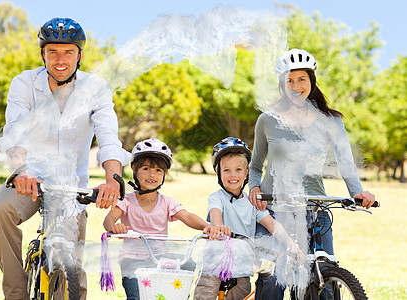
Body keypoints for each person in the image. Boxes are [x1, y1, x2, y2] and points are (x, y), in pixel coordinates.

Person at [0, 17, 130, 300]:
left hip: (71, 184)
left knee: (73, 270)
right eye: (53, 51)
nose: (60, 59)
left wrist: (113, 178)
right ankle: (16, 292)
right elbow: (15, 131)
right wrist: (21, 170)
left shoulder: (95, 87)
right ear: (43, 54)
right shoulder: (25, 83)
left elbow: (108, 136)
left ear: (80, 55)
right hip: (31, 177)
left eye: (68, 52)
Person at [248, 48, 376, 299]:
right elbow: (255, 166)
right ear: (281, 84)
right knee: (273, 279)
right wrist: (254, 188)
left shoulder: (330, 120)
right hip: (274, 209)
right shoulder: (267, 120)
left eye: (301, 79)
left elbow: (345, 161)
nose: (296, 86)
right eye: (289, 80)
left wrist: (357, 192)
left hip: (315, 207)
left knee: (323, 277)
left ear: (312, 80)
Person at [103, 138, 229, 300]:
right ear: (134, 169)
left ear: (165, 174)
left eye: (158, 170)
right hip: (133, 261)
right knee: (137, 297)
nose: (152, 174)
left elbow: (187, 216)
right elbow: (108, 220)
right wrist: (114, 227)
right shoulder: (126, 201)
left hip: (160, 257)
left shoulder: (167, 202)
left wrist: (208, 226)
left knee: (187, 264)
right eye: (146, 168)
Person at [193, 137, 304, 300]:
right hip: (215, 263)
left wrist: (291, 245)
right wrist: (218, 227)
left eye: (238, 169)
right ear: (218, 172)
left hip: (241, 265)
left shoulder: (252, 202)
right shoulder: (217, 197)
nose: (233, 175)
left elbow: (272, 224)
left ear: (247, 173)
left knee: (242, 294)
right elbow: (215, 212)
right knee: (205, 295)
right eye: (226, 170)